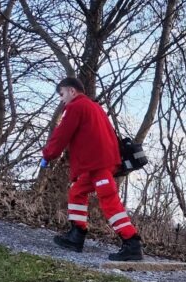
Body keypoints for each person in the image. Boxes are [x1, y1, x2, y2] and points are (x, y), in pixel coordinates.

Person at [43, 77, 143, 261]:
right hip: (102, 161)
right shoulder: (95, 107)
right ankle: (76, 235)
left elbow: (62, 134)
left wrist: (48, 154)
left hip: (98, 163)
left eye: (62, 93)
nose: (62, 99)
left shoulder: (75, 107)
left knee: (108, 199)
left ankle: (132, 243)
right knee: (77, 191)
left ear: (72, 91)